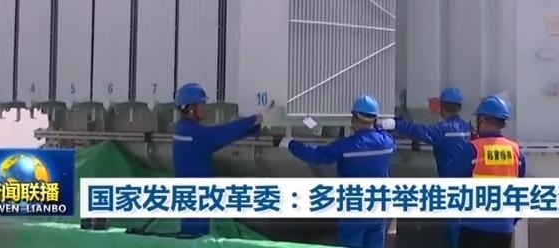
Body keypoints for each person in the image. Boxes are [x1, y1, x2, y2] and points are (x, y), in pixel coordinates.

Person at [277, 94, 395, 248]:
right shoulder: (387, 142)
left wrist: (290, 143)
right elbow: (382, 133)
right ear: (375, 118)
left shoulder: (346, 146)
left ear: (354, 118)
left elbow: (316, 156)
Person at [172, 82, 281, 237]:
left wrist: (257, 125)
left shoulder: (183, 129)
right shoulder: (192, 134)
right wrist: (258, 119)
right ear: (191, 108)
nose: (204, 108)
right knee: (195, 237)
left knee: (193, 235)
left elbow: (222, 135)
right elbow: (223, 133)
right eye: (202, 104)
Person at [380, 87, 471, 248]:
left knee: (453, 231)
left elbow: (419, 131)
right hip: (469, 186)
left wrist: (396, 124)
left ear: (442, 107)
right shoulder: (468, 128)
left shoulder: (443, 130)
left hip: (451, 188)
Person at [445, 95, 526, 248]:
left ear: (482, 120)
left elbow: (450, 174)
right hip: (504, 229)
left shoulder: (474, 148)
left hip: (475, 227)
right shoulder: (515, 150)